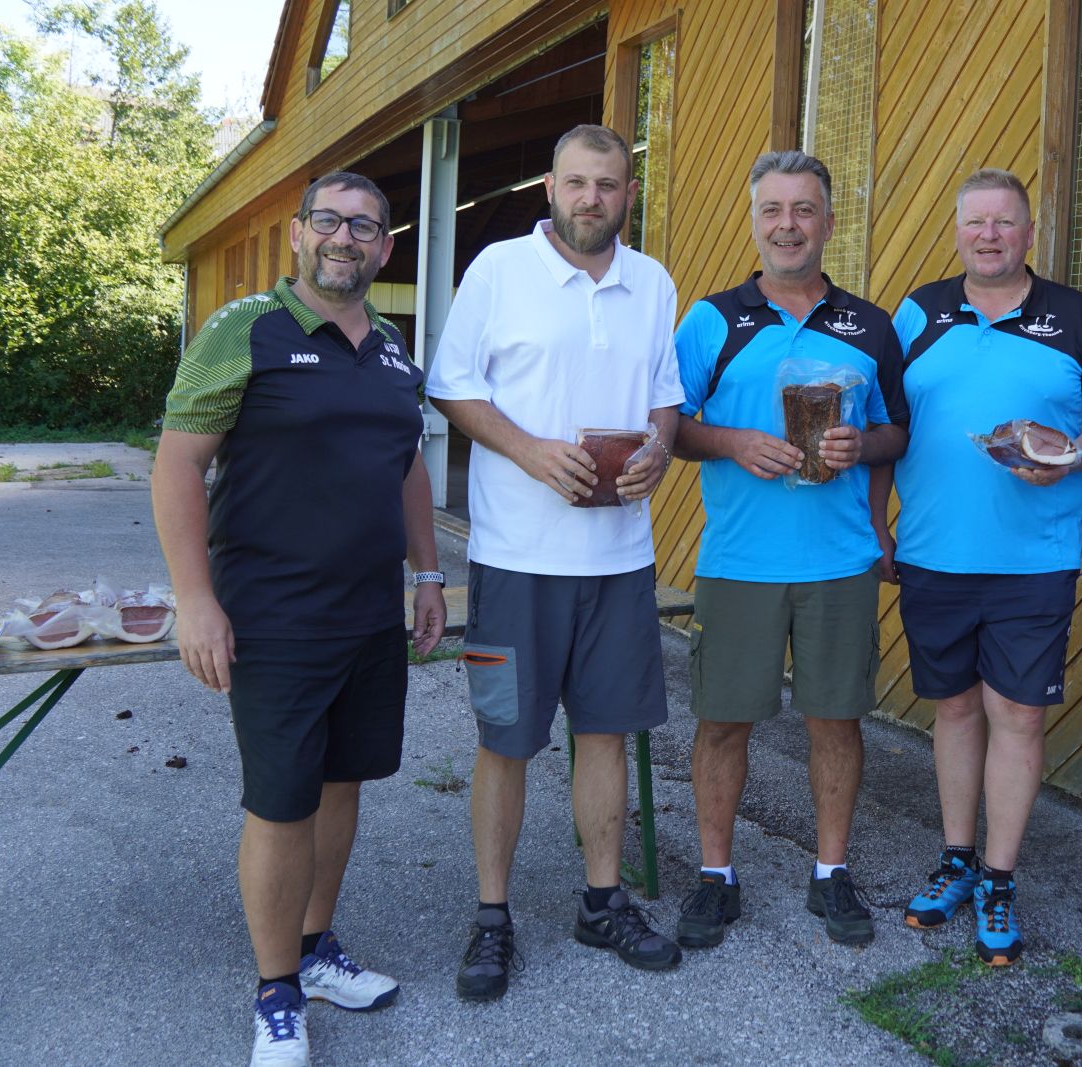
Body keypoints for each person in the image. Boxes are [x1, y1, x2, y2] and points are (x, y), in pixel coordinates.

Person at [152, 171, 445, 1067]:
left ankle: (314, 952)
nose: (344, 237)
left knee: (343, 782)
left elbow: (407, 464)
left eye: (364, 225)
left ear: (385, 246)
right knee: (281, 802)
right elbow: (176, 465)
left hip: (369, 614)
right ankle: (276, 990)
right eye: (329, 220)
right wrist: (195, 599)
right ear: (298, 233)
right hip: (274, 616)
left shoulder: (391, 347)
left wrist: (428, 573)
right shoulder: (245, 328)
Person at [425, 124, 684, 997]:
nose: (591, 199)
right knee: (506, 738)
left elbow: (666, 399)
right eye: (576, 182)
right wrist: (532, 451)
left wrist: (658, 451)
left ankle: (602, 902)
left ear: (628, 193)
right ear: (550, 187)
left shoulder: (653, 282)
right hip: (516, 558)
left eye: (607, 184)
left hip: (618, 558)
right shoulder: (499, 269)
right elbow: (451, 385)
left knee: (605, 732)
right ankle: (492, 917)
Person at [882, 169, 1082, 965]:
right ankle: (956, 859)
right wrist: (875, 523)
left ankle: (998, 877)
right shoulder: (919, 312)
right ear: (957, 231)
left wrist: (1075, 456)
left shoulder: (1074, 317)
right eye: (975, 222)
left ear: (1028, 231)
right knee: (954, 710)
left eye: (1004, 222)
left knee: (1017, 717)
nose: (989, 236)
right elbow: (886, 424)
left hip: (1032, 559)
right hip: (932, 551)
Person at [669, 150, 908, 950]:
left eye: (804, 209)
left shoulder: (870, 326)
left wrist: (860, 445)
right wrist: (733, 441)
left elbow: (898, 431)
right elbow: (673, 428)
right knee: (722, 722)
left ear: (829, 223)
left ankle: (830, 871)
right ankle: (716, 875)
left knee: (836, 721)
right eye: (773, 209)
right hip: (739, 560)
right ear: (754, 221)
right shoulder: (712, 321)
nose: (788, 225)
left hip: (838, 560)